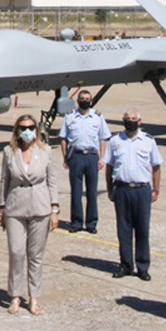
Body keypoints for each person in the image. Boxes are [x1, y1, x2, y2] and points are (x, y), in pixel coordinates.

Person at [0, 114, 59, 316]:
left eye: (31, 127)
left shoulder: (45, 151)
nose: (27, 130)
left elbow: (52, 182)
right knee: (16, 252)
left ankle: (34, 297)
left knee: (36, 255)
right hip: (15, 206)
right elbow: (4, 180)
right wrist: (1, 207)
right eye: (23, 127)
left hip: (40, 206)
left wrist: (55, 209)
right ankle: (15, 295)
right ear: (17, 130)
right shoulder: (9, 152)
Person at [104, 108, 162, 281]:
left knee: (142, 230)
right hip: (122, 189)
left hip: (142, 190)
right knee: (124, 230)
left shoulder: (148, 141)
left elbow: (156, 166)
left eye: (133, 118)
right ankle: (126, 265)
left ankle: (143, 266)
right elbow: (109, 166)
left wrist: (156, 189)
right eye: (127, 118)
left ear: (140, 122)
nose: (130, 121)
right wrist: (109, 189)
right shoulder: (115, 141)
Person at [59, 90, 111, 234]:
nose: (84, 101)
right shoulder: (70, 116)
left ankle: (91, 223)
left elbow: (103, 138)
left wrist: (102, 158)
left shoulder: (97, 117)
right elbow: (63, 138)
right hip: (76, 155)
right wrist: (65, 158)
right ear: (77, 100)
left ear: (91, 100)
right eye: (82, 99)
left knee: (92, 192)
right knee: (76, 191)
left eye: (87, 99)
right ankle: (76, 222)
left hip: (92, 156)